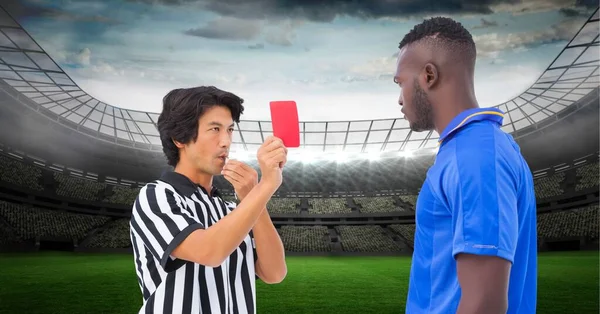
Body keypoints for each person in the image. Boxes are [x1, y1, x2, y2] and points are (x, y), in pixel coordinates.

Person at [394, 17, 537, 313]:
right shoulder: (469, 149)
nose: (399, 99)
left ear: (428, 75)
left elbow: (483, 302)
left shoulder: (476, 156)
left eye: (401, 83)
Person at [129, 86, 288, 314]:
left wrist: (253, 196)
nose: (226, 141)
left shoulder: (232, 210)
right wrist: (266, 185)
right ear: (179, 138)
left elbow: (274, 273)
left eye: (230, 130)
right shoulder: (156, 195)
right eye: (215, 129)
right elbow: (209, 252)